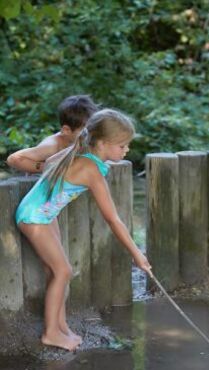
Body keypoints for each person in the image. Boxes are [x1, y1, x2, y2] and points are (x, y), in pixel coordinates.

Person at [15, 108, 152, 351]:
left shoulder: (82, 154)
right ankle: (50, 334)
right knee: (63, 271)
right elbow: (113, 219)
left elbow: (49, 164)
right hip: (35, 217)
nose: (126, 150)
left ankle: (60, 326)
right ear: (102, 143)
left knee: (54, 271)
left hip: (43, 213)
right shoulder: (90, 169)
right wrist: (136, 254)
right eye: (122, 145)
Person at [6, 95, 98, 174]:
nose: (91, 134)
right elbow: (13, 159)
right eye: (85, 131)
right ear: (66, 130)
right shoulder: (52, 145)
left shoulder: (86, 140)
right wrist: (46, 167)